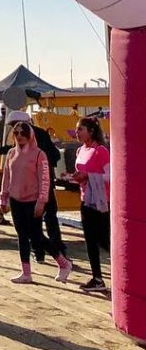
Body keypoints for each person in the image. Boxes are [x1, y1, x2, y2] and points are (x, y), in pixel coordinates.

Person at [0, 119, 74, 285]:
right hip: (16, 200)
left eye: (23, 133)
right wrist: (3, 197)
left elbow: (45, 179)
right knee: (22, 236)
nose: (19, 136)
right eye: (16, 133)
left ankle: (63, 262)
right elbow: (6, 176)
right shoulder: (11, 153)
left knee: (36, 235)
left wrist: (42, 201)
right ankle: (26, 272)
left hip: (33, 201)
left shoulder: (40, 154)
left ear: (30, 134)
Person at [6, 108, 68, 265]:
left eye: (17, 127)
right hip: (37, 188)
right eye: (15, 130)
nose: (17, 134)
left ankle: (49, 254)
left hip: (38, 189)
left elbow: (52, 156)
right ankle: (57, 250)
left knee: (35, 228)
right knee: (48, 220)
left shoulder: (36, 147)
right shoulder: (35, 137)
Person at [67, 116, 110, 293]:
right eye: (77, 130)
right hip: (86, 198)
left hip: (101, 200)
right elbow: (82, 172)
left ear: (90, 131)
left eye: (80, 129)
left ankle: (124, 271)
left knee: (104, 240)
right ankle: (97, 277)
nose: (77, 133)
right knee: (90, 240)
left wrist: (88, 176)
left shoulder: (100, 151)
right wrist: (75, 178)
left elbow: (110, 175)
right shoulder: (80, 151)